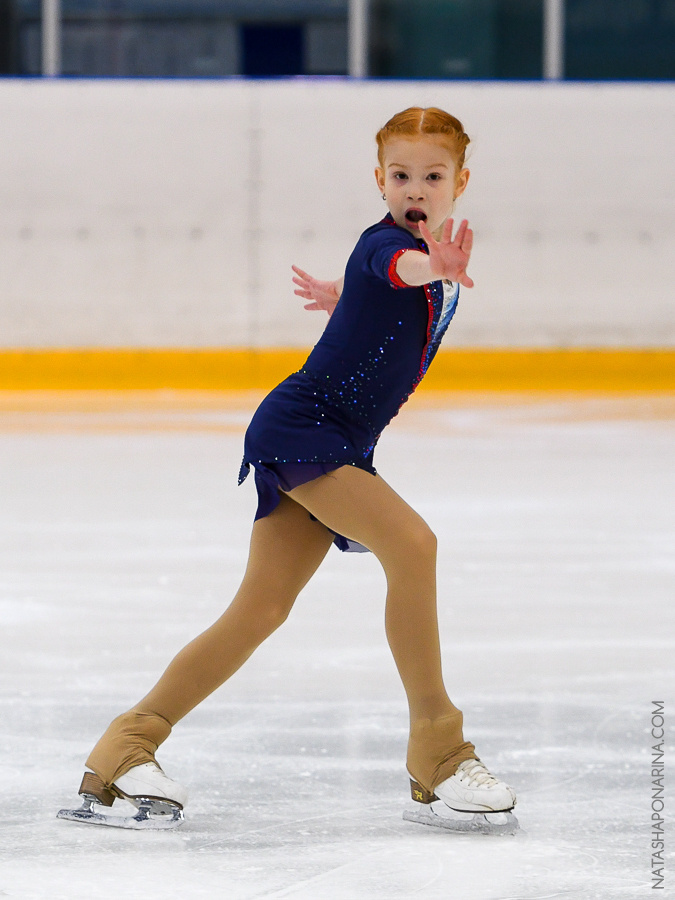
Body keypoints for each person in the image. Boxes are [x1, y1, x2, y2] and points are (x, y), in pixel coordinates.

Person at [59, 107, 517, 832]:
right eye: (400, 175)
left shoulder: (416, 265)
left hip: (335, 440)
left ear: (460, 183)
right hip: (306, 431)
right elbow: (393, 268)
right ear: (379, 180)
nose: (415, 189)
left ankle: (127, 744)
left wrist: (347, 300)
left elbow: (381, 295)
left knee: (261, 608)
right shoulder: (391, 246)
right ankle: (438, 747)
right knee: (413, 545)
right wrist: (433, 265)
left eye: (433, 176)